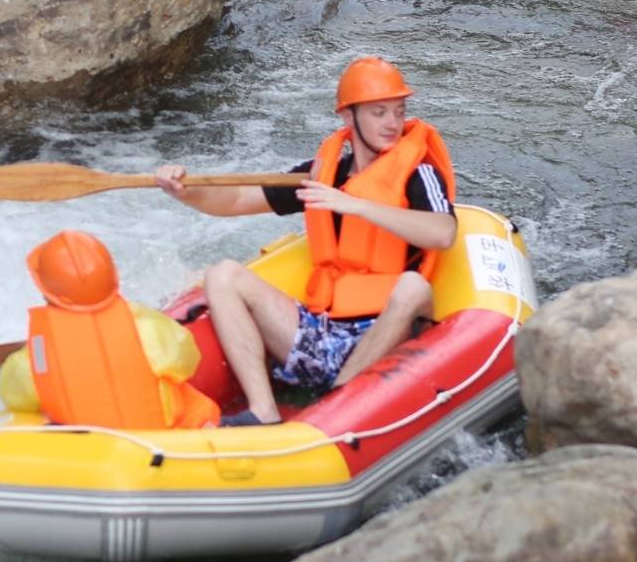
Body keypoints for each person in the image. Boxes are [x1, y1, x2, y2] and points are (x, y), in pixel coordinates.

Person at [152, 57, 457, 428]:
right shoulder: (324, 173)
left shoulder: (418, 172)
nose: (393, 123)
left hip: (383, 334)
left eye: (398, 111)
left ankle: (340, 402)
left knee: (413, 287)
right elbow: (235, 202)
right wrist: (185, 192)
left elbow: (443, 232)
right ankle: (264, 410)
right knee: (223, 275)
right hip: (324, 331)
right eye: (379, 113)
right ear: (348, 117)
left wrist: (356, 205)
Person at [0, 230, 221, 430]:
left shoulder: (33, 356)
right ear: (113, 277)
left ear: (45, 291)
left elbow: (15, 398)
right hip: (167, 442)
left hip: (96, 454)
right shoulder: (144, 324)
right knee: (185, 395)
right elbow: (188, 362)